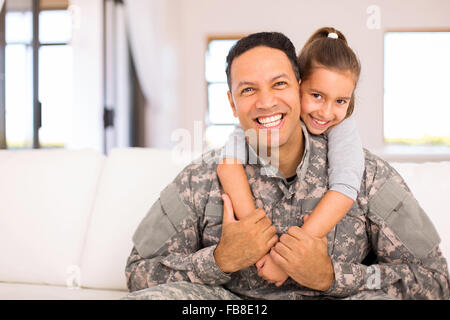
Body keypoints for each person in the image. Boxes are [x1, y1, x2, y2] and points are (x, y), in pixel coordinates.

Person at [124, 31, 450, 300]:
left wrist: (331, 277)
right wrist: (219, 260)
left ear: (299, 85)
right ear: (231, 103)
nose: (266, 102)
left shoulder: (366, 174)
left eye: (279, 84)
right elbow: (138, 273)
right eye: (248, 89)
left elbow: (436, 280)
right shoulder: (201, 177)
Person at [217, 27, 364, 287]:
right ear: (299, 88)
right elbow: (228, 167)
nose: (326, 112)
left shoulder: (342, 127)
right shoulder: (255, 125)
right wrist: (259, 246)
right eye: (316, 95)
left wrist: (287, 258)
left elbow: (345, 187)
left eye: (341, 101)